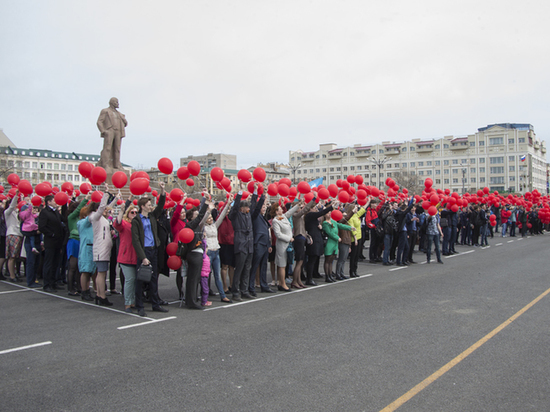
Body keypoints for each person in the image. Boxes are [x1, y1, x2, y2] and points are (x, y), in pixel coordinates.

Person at [132, 182, 169, 317]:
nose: (150, 206)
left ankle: (155, 304)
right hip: (144, 252)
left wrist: (162, 190)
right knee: (141, 279)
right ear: (142, 207)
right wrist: (143, 257)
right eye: (148, 205)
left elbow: (160, 205)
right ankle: (139, 305)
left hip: (154, 250)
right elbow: (135, 240)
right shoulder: (136, 220)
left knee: (154, 278)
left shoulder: (152, 216)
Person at [89, 185, 119, 306]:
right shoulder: (95, 217)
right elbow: (103, 207)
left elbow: (108, 208)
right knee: (101, 273)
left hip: (105, 249)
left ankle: (99, 294)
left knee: (103, 273)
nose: (106, 211)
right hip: (100, 249)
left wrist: (116, 199)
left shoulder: (104, 219)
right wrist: (106, 194)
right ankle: (101, 295)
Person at [228, 188, 258, 301]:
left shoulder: (248, 215)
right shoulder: (235, 215)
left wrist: (255, 192)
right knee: (239, 269)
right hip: (241, 245)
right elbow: (235, 207)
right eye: (247, 207)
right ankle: (235, 292)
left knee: (247, 269)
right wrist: (239, 193)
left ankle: (244, 291)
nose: (249, 209)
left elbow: (254, 205)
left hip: (249, 244)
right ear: (242, 208)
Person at [183, 196, 211, 310]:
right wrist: (205, 205)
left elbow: (202, 218)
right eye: (195, 214)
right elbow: (201, 216)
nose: (197, 216)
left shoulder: (196, 226)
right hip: (193, 254)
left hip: (198, 254)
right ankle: (191, 302)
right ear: (191, 217)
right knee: (193, 279)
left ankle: (192, 299)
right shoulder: (190, 225)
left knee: (195, 279)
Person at [204, 195, 232, 302]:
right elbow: (203, 218)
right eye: (209, 218)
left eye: (211, 218)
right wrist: (208, 209)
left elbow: (221, 215)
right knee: (205, 275)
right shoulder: (203, 227)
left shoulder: (215, 226)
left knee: (217, 275)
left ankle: (222, 295)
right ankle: (204, 297)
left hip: (216, 252)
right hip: (208, 253)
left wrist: (227, 203)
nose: (211, 219)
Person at [113, 201, 139, 313]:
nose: (134, 214)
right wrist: (121, 210)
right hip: (126, 256)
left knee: (134, 280)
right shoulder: (124, 223)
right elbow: (117, 224)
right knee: (130, 279)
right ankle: (127, 303)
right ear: (128, 213)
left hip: (136, 256)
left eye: (136, 212)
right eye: (132, 212)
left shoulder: (138, 224)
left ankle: (133, 301)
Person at [270, 201, 300, 291]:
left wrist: (298, 205)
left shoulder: (282, 217)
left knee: (283, 265)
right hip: (282, 245)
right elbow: (278, 234)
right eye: (279, 209)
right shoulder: (275, 221)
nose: (281, 210)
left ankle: (280, 282)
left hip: (287, 244)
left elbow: (289, 212)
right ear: (276, 212)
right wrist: (289, 238)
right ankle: (283, 284)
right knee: (282, 265)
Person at [38, 194, 65, 292]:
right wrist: (51, 234)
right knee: (49, 263)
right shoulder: (45, 212)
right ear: (48, 202)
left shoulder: (56, 212)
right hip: (50, 241)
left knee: (55, 263)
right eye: (54, 200)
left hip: (58, 241)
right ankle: (47, 284)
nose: (55, 202)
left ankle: (53, 282)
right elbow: (42, 227)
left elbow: (63, 219)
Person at [304, 200, 334, 285]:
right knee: (311, 260)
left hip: (317, 238)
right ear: (310, 209)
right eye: (314, 208)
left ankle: (312, 275)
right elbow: (321, 213)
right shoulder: (310, 215)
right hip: (313, 239)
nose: (316, 209)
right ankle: (309, 279)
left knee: (314, 259)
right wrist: (331, 206)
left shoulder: (312, 217)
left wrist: (319, 227)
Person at [65, 195, 89, 295]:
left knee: (80, 267)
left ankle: (79, 286)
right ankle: (71, 288)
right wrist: (85, 199)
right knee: (72, 266)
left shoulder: (82, 220)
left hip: (81, 242)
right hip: (73, 242)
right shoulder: (71, 218)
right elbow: (77, 210)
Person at [322, 210, 355, 282]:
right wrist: (337, 238)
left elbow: (340, 225)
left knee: (331, 260)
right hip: (329, 242)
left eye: (330, 213)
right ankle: (327, 276)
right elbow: (330, 233)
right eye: (328, 213)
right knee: (328, 260)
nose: (329, 214)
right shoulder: (325, 223)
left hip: (335, 243)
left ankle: (330, 275)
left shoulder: (333, 221)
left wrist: (350, 228)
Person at [96, 97, 127, 170]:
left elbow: (125, 123)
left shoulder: (119, 114)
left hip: (118, 132)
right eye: (116, 102)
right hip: (110, 130)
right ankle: (105, 164)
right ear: (112, 102)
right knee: (107, 148)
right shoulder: (105, 111)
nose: (118, 104)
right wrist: (103, 131)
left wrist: (124, 120)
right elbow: (99, 122)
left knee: (117, 149)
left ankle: (117, 165)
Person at [77, 203, 98, 301]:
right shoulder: (82, 223)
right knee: (85, 271)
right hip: (86, 248)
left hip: (93, 248)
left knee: (91, 271)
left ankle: (88, 290)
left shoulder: (92, 224)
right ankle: (84, 291)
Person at [19, 199, 42, 287]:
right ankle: (30, 281)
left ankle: (34, 279)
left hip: (38, 242)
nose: (34, 210)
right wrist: (35, 232)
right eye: (33, 209)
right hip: (29, 243)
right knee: (31, 262)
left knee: (36, 263)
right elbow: (24, 232)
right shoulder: (25, 221)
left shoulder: (36, 218)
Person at [4, 194, 24, 283]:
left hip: (19, 235)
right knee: (12, 257)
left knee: (15, 257)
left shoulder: (18, 213)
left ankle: (14, 273)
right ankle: (12, 276)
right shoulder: (7, 212)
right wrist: (16, 196)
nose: (16, 205)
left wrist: (22, 199)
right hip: (12, 234)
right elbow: (11, 207)